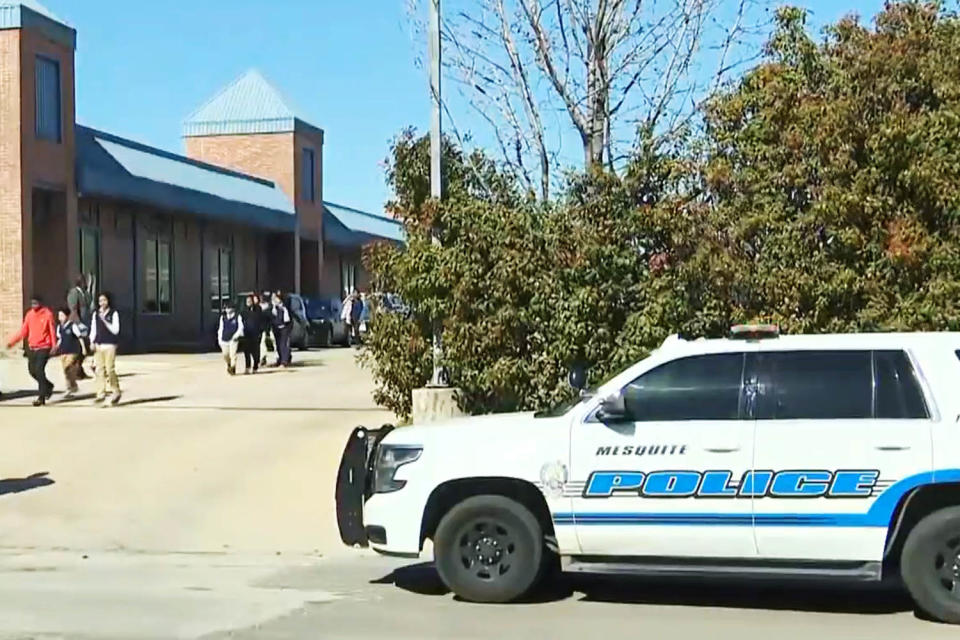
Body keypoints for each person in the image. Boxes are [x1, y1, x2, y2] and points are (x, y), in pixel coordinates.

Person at [5, 295, 57, 406]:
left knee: (39, 370)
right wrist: (12, 342)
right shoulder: (29, 315)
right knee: (32, 371)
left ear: (40, 303)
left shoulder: (47, 314)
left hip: (44, 347)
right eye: (32, 303)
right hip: (32, 347)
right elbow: (23, 332)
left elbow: (52, 331)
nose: (34, 305)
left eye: (36, 303)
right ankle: (48, 386)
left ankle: (41, 397)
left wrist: (54, 345)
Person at [90, 291, 121, 405]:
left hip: (110, 345)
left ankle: (115, 391)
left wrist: (105, 321)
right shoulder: (95, 314)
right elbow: (93, 329)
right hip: (99, 345)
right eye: (100, 301)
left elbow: (115, 330)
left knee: (110, 369)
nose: (102, 303)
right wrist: (92, 341)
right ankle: (100, 393)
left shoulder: (113, 313)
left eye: (104, 300)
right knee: (99, 370)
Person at [66, 274, 93, 379]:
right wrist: (77, 322)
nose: (85, 283)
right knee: (80, 348)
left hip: (85, 322)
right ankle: (75, 371)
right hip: (78, 322)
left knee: (85, 349)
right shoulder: (74, 293)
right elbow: (73, 308)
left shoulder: (85, 293)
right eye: (84, 281)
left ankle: (79, 370)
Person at [55, 307, 86, 397]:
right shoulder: (59, 327)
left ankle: (69, 388)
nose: (60, 317)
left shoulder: (72, 326)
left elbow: (79, 337)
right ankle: (73, 386)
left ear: (67, 316)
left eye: (62, 315)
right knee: (66, 371)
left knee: (68, 368)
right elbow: (60, 339)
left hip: (72, 351)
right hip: (63, 351)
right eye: (59, 315)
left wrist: (83, 348)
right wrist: (56, 347)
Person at [217, 302, 245, 375]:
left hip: (233, 339)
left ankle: (233, 367)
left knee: (233, 354)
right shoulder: (223, 317)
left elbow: (240, 327)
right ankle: (229, 364)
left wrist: (236, 335)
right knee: (225, 355)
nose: (228, 309)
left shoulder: (237, 316)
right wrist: (219, 339)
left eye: (229, 308)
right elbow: (221, 329)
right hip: (224, 339)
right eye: (226, 308)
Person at [240, 294, 264, 374]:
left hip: (256, 333)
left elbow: (261, 320)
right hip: (246, 333)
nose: (248, 302)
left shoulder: (258, 309)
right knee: (246, 351)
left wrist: (261, 331)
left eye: (250, 301)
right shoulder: (243, 311)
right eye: (247, 301)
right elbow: (241, 322)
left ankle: (255, 365)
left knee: (255, 352)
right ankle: (247, 367)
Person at [271, 292, 292, 367]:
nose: (274, 300)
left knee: (283, 345)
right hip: (276, 328)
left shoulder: (284, 307)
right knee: (277, 345)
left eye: (275, 298)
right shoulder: (273, 308)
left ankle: (284, 361)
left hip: (284, 328)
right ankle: (280, 359)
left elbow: (287, 319)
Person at [258, 293, 273, 367]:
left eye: (262, 297)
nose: (261, 299)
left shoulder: (269, 307)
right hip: (260, 328)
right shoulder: (257, 307)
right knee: (261, 343)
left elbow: (271, 318)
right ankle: (262, 358)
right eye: (260, 297)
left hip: (268, 327)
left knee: (274, 342)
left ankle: (279, 357)